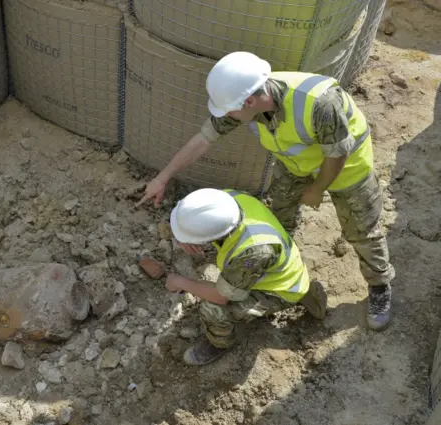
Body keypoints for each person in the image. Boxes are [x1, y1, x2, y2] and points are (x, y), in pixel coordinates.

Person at [137, 51, 395, 331]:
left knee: (361, 232)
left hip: (347, 170)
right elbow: (203, 139)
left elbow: (337, 155)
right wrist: (163, 178)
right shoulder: (248, 101)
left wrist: (318, 189)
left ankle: (380, 285)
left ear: (248, 101)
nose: (227, 117)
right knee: (278, 223)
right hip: (296, 166)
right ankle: (286, 277)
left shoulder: (319, 103)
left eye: (229, 111)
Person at [165, 188, 327, 366]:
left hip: (279, 289)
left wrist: (180, 282)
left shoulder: (251, 254)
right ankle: (305, 290)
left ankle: (219, 344)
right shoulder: (229, 199)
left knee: (212, 309)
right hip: (281, 263)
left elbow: (220, 296)